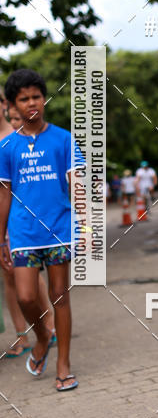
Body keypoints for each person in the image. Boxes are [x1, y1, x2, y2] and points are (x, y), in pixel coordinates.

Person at [0, 69, 81, 391]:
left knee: (59, 296)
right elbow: (4, 193)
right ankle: (43, 336)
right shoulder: (7, 147)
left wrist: (86, 226)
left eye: (36, 96)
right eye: (24, 99)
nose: (31, 103)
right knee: (25, 296)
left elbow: (76, 183)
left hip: (58, 229)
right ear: (14, 105)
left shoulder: (63, 138)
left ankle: (63, 365)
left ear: (43, 98)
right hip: (22, 233)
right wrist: (1, 238)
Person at [0, 97, 55, 357]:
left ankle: (48, 325)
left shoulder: (19, 136)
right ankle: (22, 336)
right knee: (7, 274)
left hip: (20, 214)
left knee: (26, 271)